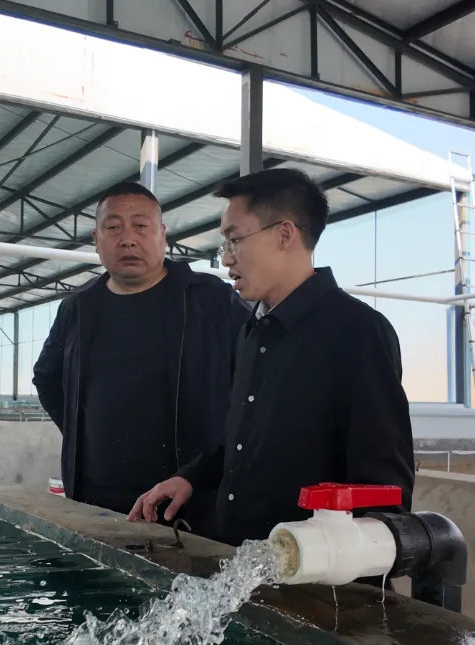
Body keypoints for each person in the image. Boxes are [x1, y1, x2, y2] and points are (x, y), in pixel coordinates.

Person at [127, 168, 415, 547]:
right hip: (237, 561)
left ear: (284, 234)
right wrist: (190, 477)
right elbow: (239, 441)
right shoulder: (252, 331)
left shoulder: (358, 332)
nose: (225, 258)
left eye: (234, 240)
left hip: (308, 575)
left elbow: (385, 493)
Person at [32, 181, 250, 535]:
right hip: (95, 504)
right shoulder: (78, 308)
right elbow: (47, 378)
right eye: (114, 227)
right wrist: (82, 434)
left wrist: (210, 463)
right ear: (96, 239)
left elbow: (258, 380)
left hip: (190, 507)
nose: (128, 239)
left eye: (141, 226)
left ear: (163, 235)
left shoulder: (210, 301)